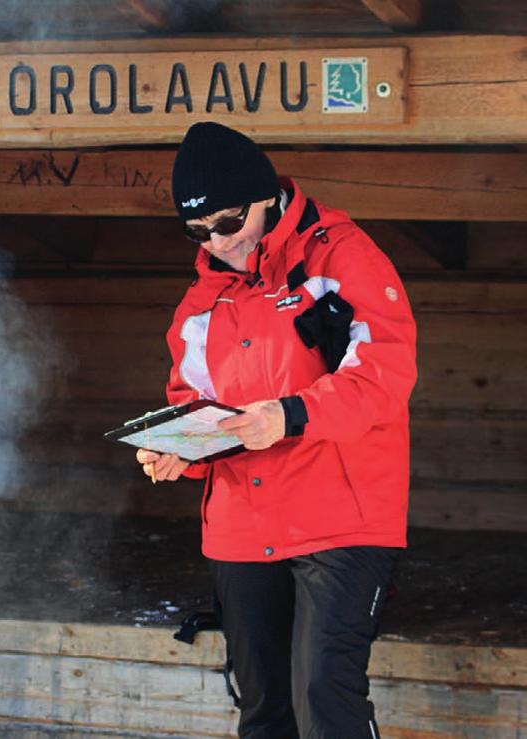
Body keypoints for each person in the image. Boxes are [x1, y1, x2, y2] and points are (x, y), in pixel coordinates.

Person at [137, 122, 417, 738]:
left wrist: (288, 415)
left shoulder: (340, 255)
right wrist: (182, 453)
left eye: (230, 223)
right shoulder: (200, 302)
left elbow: (385, 371)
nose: (218, 242)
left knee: (325, 697)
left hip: (341, 517)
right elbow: (190, 400)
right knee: (263, 708)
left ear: (267, 197)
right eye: (199, 231)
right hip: (242, 524)